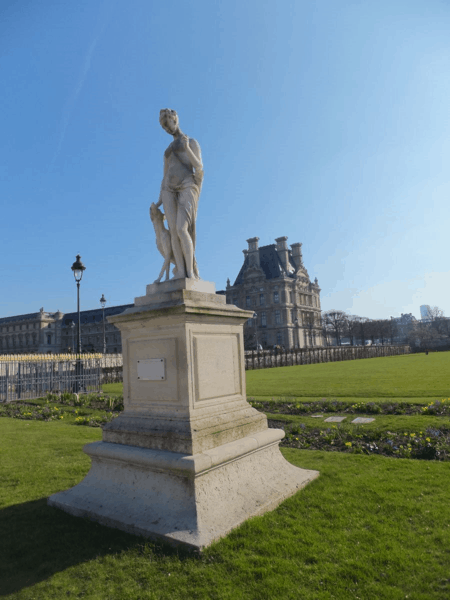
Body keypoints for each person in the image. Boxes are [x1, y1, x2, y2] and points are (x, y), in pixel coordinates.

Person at [155, 109, 204, 279]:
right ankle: (181, 272)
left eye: (168, 124)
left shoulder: (191, 142)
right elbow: (164, 176)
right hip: (168, 188)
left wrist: (186, 148)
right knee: (174, 231)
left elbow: (198, 167)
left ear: (176, 119)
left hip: (187, 185)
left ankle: (190, 271)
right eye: (164, 127)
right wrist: (159, 201)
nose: (168, 129)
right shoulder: (167, 151)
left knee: (182, 229)